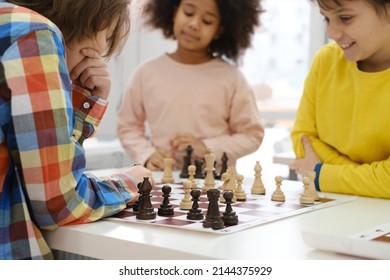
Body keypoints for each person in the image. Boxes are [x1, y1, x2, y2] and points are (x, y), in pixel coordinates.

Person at [0, 0, 154, 260]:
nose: (100, 50)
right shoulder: (34, 34)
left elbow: (37, 168)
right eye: (105, 36)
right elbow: (58, 203)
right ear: (94, 17)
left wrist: (82, 102)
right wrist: (130, 182)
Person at [117, 0, 265, 171]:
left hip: (215, 185)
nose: (194, 24)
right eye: (188, 13)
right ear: (174, 13)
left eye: (207, 21)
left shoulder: (232, 78)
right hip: (162, 181)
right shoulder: (146, 73)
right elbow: (128, 126)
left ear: (220, 30)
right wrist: (147, 154)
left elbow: (252, 135)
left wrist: (206, 147)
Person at [290, 0, 390, 199]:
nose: (332, 32)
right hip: (336, 211)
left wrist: (320, 173)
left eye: (345, 18)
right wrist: (372, 178)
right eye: (327, 18)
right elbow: (303, 139)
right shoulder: (326, 60)